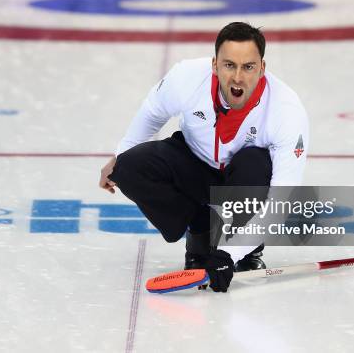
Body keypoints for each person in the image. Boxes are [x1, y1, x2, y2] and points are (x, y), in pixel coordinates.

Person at [99, 22, 309, 292]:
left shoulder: (286, 111)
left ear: (262, 68)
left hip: (245, 179)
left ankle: (245, 247)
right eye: (229, 65)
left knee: (254, 162)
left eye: (248, 67)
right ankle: (200, 228)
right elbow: (151, 114)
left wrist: (228, 256)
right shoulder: (187, 77)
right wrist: (119, 157)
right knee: (128, 166)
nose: (238, 77)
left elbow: (282, 201)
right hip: (195, 167)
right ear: (214, 65)